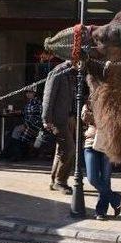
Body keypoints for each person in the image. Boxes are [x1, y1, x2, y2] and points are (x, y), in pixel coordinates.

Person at [82, 102, 121, 220]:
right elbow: (84, 117)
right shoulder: (89, 102)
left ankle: (101, 211)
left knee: (105, 179)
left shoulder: (114, 102)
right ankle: (115, 198)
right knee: (92, 178)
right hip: (90, 143)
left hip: (107, 144)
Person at [42, 61, 76, 195]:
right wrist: (46, 119)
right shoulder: (58, 72)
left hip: (68, 118)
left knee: (61, 149)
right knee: (69, 149)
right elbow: (48, 97)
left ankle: (55, 180)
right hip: (58, 119)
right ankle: (60, 181)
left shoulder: (72, 74)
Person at [0, 87, 43, 162]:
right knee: (10, 133)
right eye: (27, 92)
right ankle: (7, 154)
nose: (28, 94)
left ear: (34, 93)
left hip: (34, 126)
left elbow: (35, 116)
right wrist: (13, 112)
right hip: (29, 124)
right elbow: (24, 112)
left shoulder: (36, 102)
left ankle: (15, 155)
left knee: (16, 131)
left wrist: (26, 124)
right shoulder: (30, 102)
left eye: (30, 92)